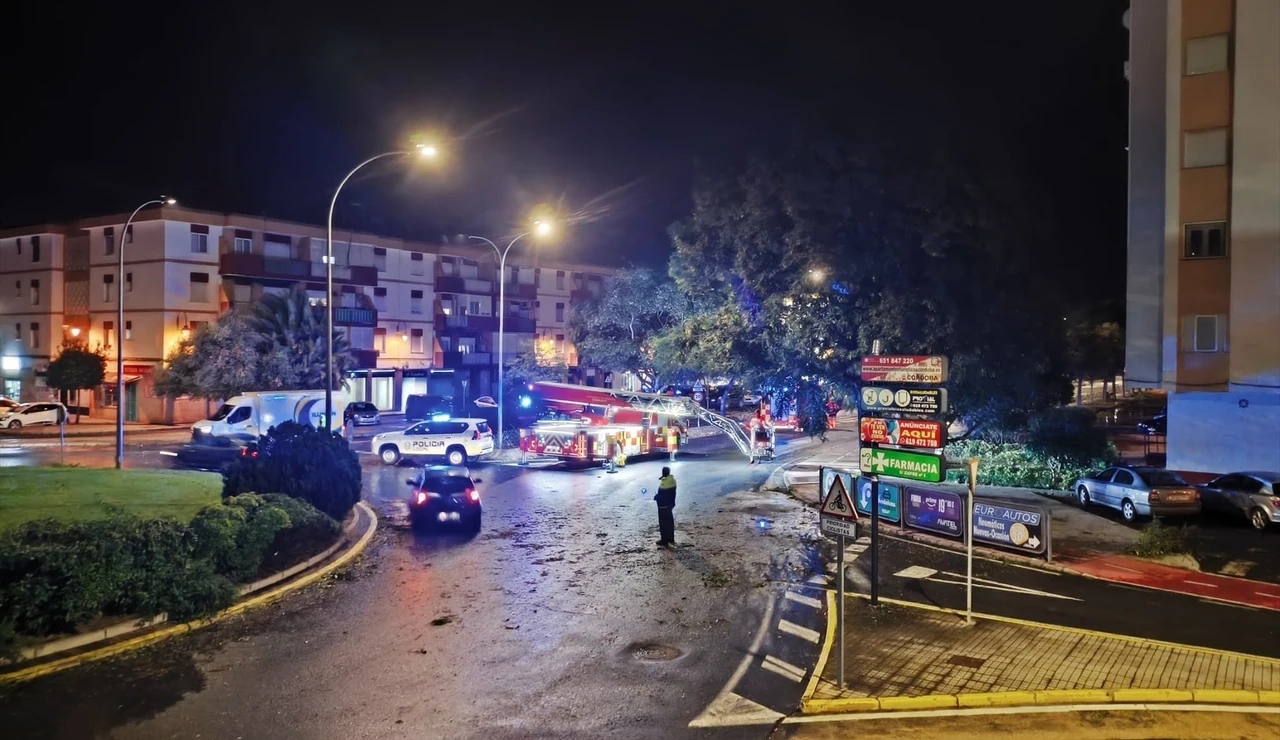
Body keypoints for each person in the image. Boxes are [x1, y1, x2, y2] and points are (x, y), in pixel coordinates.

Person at [654, 467, 677, 547]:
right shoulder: (672, 480)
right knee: (670, 522)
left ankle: (664, 540)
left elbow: (662, 495)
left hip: (663, 506)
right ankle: (671, 539)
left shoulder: (665, 483)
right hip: (670, 505)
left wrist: (656, 497)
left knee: (663, 523)